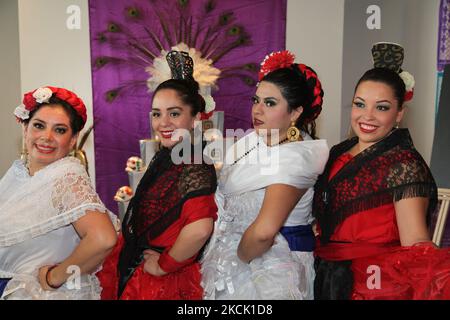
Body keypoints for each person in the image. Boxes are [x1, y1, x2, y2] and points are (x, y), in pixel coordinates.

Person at [313, 43, 450, 300]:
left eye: (382, 107)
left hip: (373, 283)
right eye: (360, 104)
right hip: (327, 275)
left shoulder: (403, 164)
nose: (368, 116)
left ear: (399, 114)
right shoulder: (338, 153)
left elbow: (414, 241)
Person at [200, 50, 329, 299]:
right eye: (256, 100)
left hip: (272, 270)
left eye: (270, 103)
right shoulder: (252, 142)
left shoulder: (296, 157)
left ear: (295, 113)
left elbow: (263, 233)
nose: (257, 110)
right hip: (233, 259)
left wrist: (236, 260)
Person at [97, 51, 218, 300]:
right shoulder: (172, 155)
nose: (163, 122)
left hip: (163, 284)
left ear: (195, 118)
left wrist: (164, 265)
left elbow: (200, 229)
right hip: (146, 273)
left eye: (174, 113)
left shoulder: (192, 160)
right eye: (156, 113)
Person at [0, 86, 118, 300]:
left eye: (60, 130)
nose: (46, 137)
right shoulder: (18, 174)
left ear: (73, 139)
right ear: (25, 129)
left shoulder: (66, 177)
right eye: (38, 126)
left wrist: (54, 278)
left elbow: (103, 238)